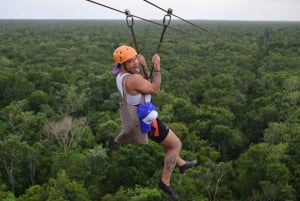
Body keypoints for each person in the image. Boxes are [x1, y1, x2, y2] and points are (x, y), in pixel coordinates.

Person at [112, 45, 197, 199]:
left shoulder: (121, 76)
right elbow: (154, 89)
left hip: (141, 118)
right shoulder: (132, 79)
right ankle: (165, 182)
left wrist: (144, 66)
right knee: (175, 145)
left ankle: (182, 164)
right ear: (122, 65)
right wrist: (157, 68)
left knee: (168, 144)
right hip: (148, 122)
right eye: (130, 62)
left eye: (135, 59)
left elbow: (144, 84)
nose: (135, 63)